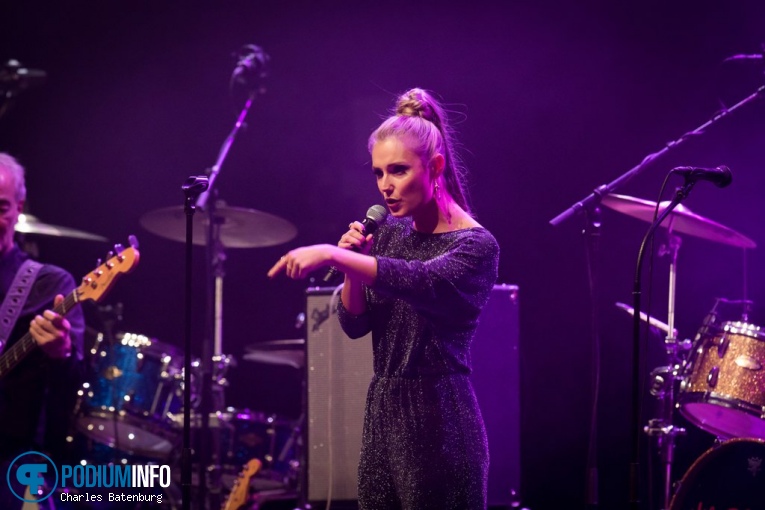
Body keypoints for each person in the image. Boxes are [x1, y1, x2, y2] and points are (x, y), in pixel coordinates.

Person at [268, 88, 499, 510]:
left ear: (434, 168)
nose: (386, 187)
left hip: (440, 419)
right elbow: (356, 324)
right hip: (384, 412)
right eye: (378, 173)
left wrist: (333, 255)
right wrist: (354, 267)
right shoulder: (391, 231)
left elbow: (421, 281)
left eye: (398, 171)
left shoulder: (476, 246)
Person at [0, 152, 85, 507]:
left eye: (1, 207)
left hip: (15, 466)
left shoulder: (47, 284)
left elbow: (77, 385)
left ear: (19, 208)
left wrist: (60, 352)